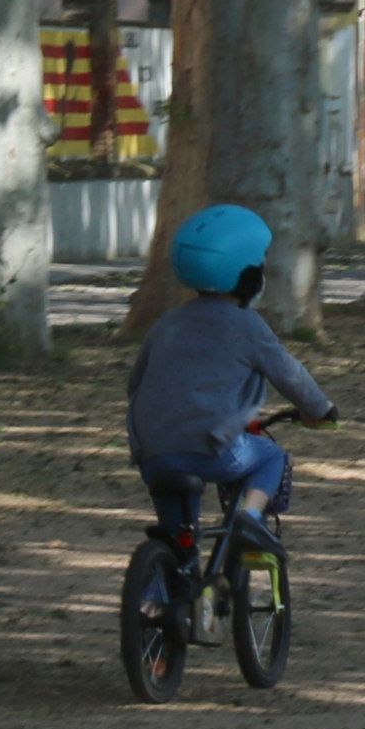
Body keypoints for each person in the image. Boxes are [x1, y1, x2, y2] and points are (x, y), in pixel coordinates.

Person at [126, 204, 337, 548]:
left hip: (153, 451)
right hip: (211, 448)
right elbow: (290, 375)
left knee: (178, 542)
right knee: (271, 457)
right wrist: (320, 409)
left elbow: (135, 384)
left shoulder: (166, 324)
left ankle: (151, 601)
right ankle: (248, 519)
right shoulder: (247, 325)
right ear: (249, 273)